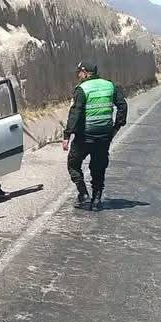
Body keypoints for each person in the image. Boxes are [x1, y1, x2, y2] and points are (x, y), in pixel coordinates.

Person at [62, 61, 128, 211]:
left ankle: (83, 193)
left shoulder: (82, 89)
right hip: (104, 136)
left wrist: (67, 135)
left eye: (79, 72)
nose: (78, 75)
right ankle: (96, 200)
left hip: (84, 137)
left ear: (85, 72)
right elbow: (122, 106)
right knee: (98, 167)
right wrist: (116, 127)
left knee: (73, 164)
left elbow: (76, 113)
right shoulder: (110, 85)